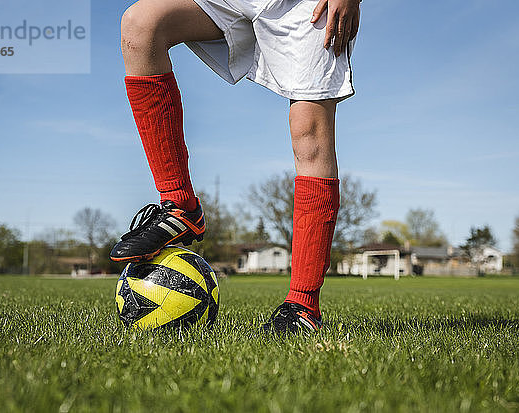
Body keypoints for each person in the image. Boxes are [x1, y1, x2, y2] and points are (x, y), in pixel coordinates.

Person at [110, 0, 361, 334]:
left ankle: (302, 306)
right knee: (140, 25)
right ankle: (180, 204)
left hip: (308, 7)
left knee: (310, 135)